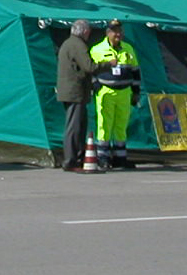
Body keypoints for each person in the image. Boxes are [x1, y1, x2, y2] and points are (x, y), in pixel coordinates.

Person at [56, 19, 109, 172]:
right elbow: (89, 66)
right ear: (85, 31)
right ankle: (70, 160)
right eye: (89, 32)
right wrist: (107, 64)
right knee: (74, 127)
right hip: (75, 92)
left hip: (71, 91)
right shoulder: (78, 45)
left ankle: (77, 158)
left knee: (78, 125)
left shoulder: (68, 43)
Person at [89, 19, 140, 169]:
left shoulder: (128, 49)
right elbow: (90, 70)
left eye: (120, 31)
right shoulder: (97, 49)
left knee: (121, 125)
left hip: (124, 92)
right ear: (108, 33)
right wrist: (96, 86)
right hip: (106, 92)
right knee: (104, 125)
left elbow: (135, 71)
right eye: (115, 31)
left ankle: (120, 158)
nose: (119, 34)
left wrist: (136, 91)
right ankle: (103, 157)